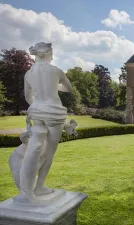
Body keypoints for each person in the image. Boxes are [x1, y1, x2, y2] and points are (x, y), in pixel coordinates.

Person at [19, 42, 73, 201]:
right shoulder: (56, 71)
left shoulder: (28, 74)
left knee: (34, 149)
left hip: (37, 112)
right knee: (49, 152)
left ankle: (27, 186)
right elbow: (68, 89)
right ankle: (40, 186)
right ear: (49, 54)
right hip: (54, 112)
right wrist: (55, 87)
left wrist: (38, 107)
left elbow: (28, 97)